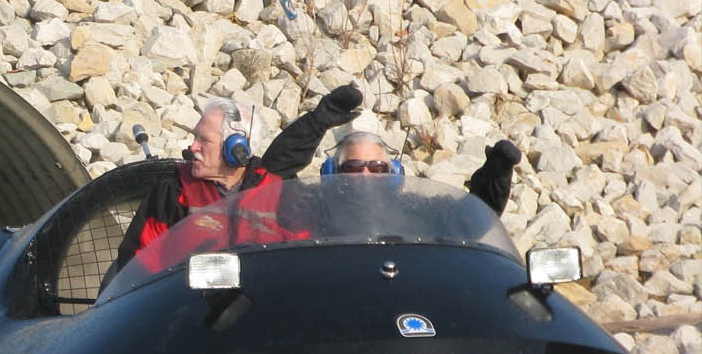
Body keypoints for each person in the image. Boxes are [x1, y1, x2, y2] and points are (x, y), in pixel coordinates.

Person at [112, 83, 364, 273]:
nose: (192, 147)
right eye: (195, 137)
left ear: (236, 149)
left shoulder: (279, 192)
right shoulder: (173, 192)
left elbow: (305, 262)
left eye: (204, 140)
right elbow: (137, 264)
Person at [325, 131, 522, 214]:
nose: (366, 175)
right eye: (354, 167)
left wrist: (494, 181)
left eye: (376, 167)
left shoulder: (414, 209)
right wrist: (315, 124)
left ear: (392, 173)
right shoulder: (316, 209)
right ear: (332, 172)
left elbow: (467, 218)